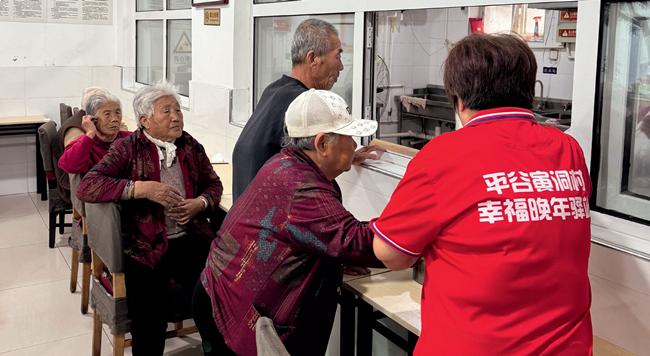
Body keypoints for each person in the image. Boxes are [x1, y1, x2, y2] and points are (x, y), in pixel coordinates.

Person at [371, 34, 593, 355]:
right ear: (528, 91)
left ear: (458, 99)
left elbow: (391, 254)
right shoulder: (568, 150)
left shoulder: (444, 155)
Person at [194, 89, 384, 356]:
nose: (354, 145)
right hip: (234, 313)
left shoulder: (286, 162)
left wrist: (334, 255)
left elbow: (319, 233)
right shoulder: (301, 187)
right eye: (349, 137)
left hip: (220, 294)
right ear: (321, 144)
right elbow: (360, 241)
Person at [77, 82, 223, 356]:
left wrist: (200, 203)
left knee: (216, 296)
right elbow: (88, 185)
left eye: (178, 109)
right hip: (145, 247)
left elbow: (213, 185)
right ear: (144, 120)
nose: (176, 116)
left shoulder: (189, 145)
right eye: (166, 111)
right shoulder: (128, 148)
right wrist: (137, 188)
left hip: (190, 237)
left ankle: (213, 346)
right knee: (148, 319)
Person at [232, 18, 380, 200]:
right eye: (337, 56)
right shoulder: (301, 106)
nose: (341, 66)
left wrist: (344, 154)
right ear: (313, 59)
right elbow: (309, 172)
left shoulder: (275, 89)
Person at [58, 87, 130, 174]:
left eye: (118, 113)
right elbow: (69, 166)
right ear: (92, 119)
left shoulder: (128, 138)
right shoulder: (87, 143)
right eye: (107, 114)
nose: (115, 119)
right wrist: (90, 133)